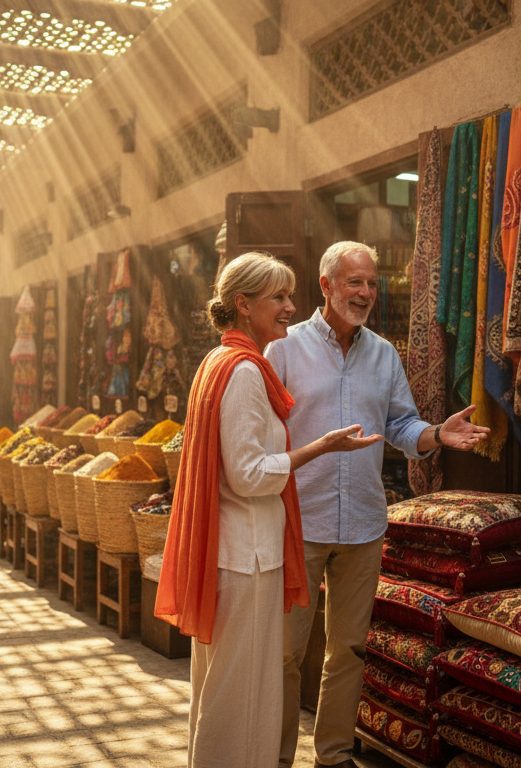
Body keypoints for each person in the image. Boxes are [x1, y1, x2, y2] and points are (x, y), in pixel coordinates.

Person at [267, 241, 490, 768]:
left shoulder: (384, 353)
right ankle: (275, 758)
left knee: (349, 649)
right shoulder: (283, 350)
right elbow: (265, 431)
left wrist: (437, 433)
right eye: (354, 283)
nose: (366, 293)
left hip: (364, 524)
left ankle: (334, 755)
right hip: (300, 521)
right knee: (284, 653)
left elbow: (400, 426)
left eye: (371, 283)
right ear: (326, 286)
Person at [155, 252, 382, 768]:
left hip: (238, 552)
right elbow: (249, 474)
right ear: (242, 304)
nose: (289, 307)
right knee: (240, 694)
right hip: (247, 557)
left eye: (289, 296)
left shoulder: (223, 360)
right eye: (278, 297)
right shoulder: (243, 372)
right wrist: (318, 448)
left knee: (224, 687)